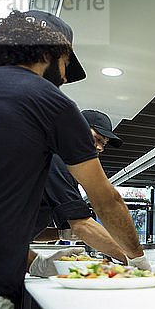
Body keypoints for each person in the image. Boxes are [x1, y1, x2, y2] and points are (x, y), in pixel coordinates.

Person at [0, 10, 148, 309]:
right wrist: (138, 263)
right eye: (65, 62)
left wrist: (34, 261)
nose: (64, 77)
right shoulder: (49, 100)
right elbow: (104, 199)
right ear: (49, 53)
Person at [29, 110, 129, 266]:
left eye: (104, 143)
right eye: (96, 139)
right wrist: (130, 257)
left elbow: (26, 232)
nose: (100, 148)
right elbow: (82, 224)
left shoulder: (61, 163)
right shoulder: (54, 158)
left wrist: (61, 234)